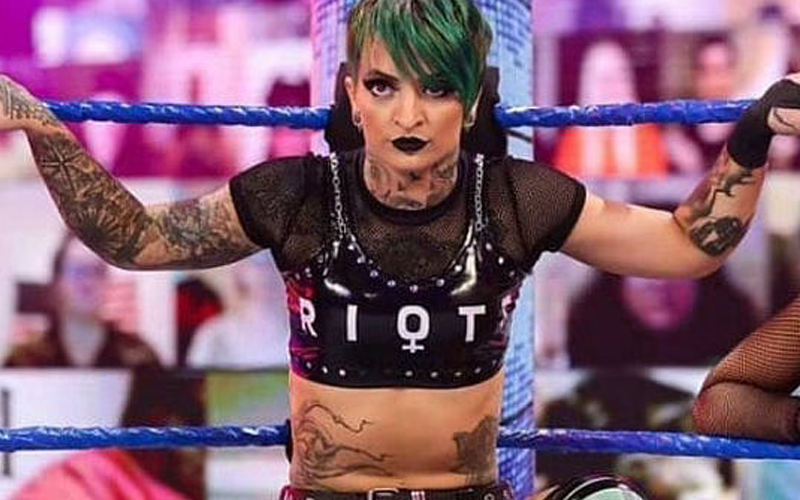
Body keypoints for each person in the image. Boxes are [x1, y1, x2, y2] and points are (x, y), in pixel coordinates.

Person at [1, 0, 798, 496]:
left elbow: (687, 246)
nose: (408, 116)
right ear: (352, 93)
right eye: (384, 86)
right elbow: (137, 239)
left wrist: (753, 136)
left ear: (473, 100)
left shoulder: (515, 196)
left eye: (437, 88)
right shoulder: (296, 194)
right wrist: (42, 128)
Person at [5, 233, 161, 368]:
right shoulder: (25, 360)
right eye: (79, 272)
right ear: (58, 282)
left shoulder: (139, 356)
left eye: (96, 271)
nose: (88, 282)